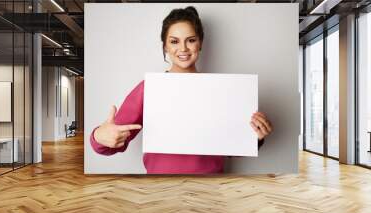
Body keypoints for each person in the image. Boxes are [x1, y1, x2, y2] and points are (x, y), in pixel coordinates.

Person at [90, 6, 273, 174]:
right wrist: (99, 136)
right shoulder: (150, 88)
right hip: (161, 190)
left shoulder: (221, 90)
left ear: (200, 43)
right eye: (174, 41)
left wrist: (255, 137)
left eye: (191, 40)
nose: (183, 48)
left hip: (211, 189)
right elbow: (110, 142)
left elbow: (234, 148)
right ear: (165, 46)